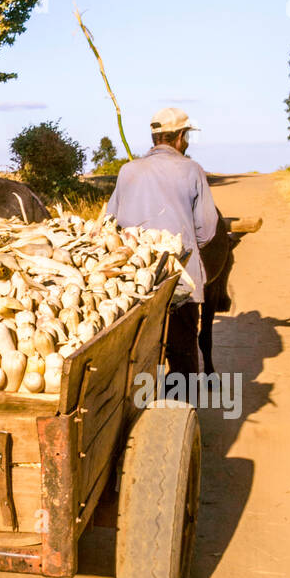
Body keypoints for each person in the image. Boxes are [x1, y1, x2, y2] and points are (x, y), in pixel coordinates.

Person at [105, 107, 218, 378]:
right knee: (182, 353)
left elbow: (111, 221)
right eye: (186, 136)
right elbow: (207, 228)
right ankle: (180, 408)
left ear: (156, 137)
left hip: (132, 280)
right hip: (178, 280)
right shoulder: (192, 170)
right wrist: (187, 248)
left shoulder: (127, 170)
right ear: (180, 137)